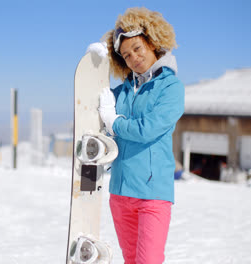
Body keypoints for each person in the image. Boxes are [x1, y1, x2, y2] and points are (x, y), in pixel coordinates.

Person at [97, 7, 184, 264]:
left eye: (137, 48)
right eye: (125, 55)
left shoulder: (170, 87)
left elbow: (147, 129)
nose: (133, 57)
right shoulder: (122, 91)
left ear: (152, 41)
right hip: (120, 193)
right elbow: (94, 110)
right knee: (131, 261)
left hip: (153, 195)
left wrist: (114, 121)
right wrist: (96, 63)